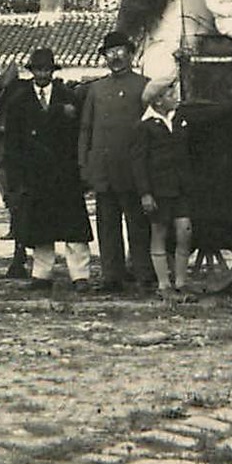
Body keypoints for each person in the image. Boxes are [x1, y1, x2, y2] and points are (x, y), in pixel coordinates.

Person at [2, 48, 93, 289]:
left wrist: (82, 170)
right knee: (41, 228)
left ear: (53, 71)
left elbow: (79, 136)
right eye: (38, 69)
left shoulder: (68, 97)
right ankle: (42, 275)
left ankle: (80, 275)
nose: (43, 73)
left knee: (74, 228)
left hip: (65, 172)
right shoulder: (18, 102)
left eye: (47, 69)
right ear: (31, 71)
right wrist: (16, 176)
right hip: (35, 173)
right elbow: (12, 142)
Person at [80, 31, 151, 293]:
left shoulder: (144, 85)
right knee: (107, 224)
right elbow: (86, 129)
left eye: (121, 51)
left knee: (138, 224)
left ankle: (143, 272)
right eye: (110, 52)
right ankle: (112, 275)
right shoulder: (96, 89)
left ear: (131, 55)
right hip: (103, 167)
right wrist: (84, 163)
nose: (116, 56)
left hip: (133, 169)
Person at [131, 77, 196, 302]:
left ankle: (181, 282)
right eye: (170, 95)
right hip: (159, 189)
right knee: (159, 233)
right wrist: (145, 193)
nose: (175, 98)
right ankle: (163, 284)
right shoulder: (145, 126)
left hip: (180, 187)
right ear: (158, 101)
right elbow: (138, 163)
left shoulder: (178, 121)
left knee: (184, 232)